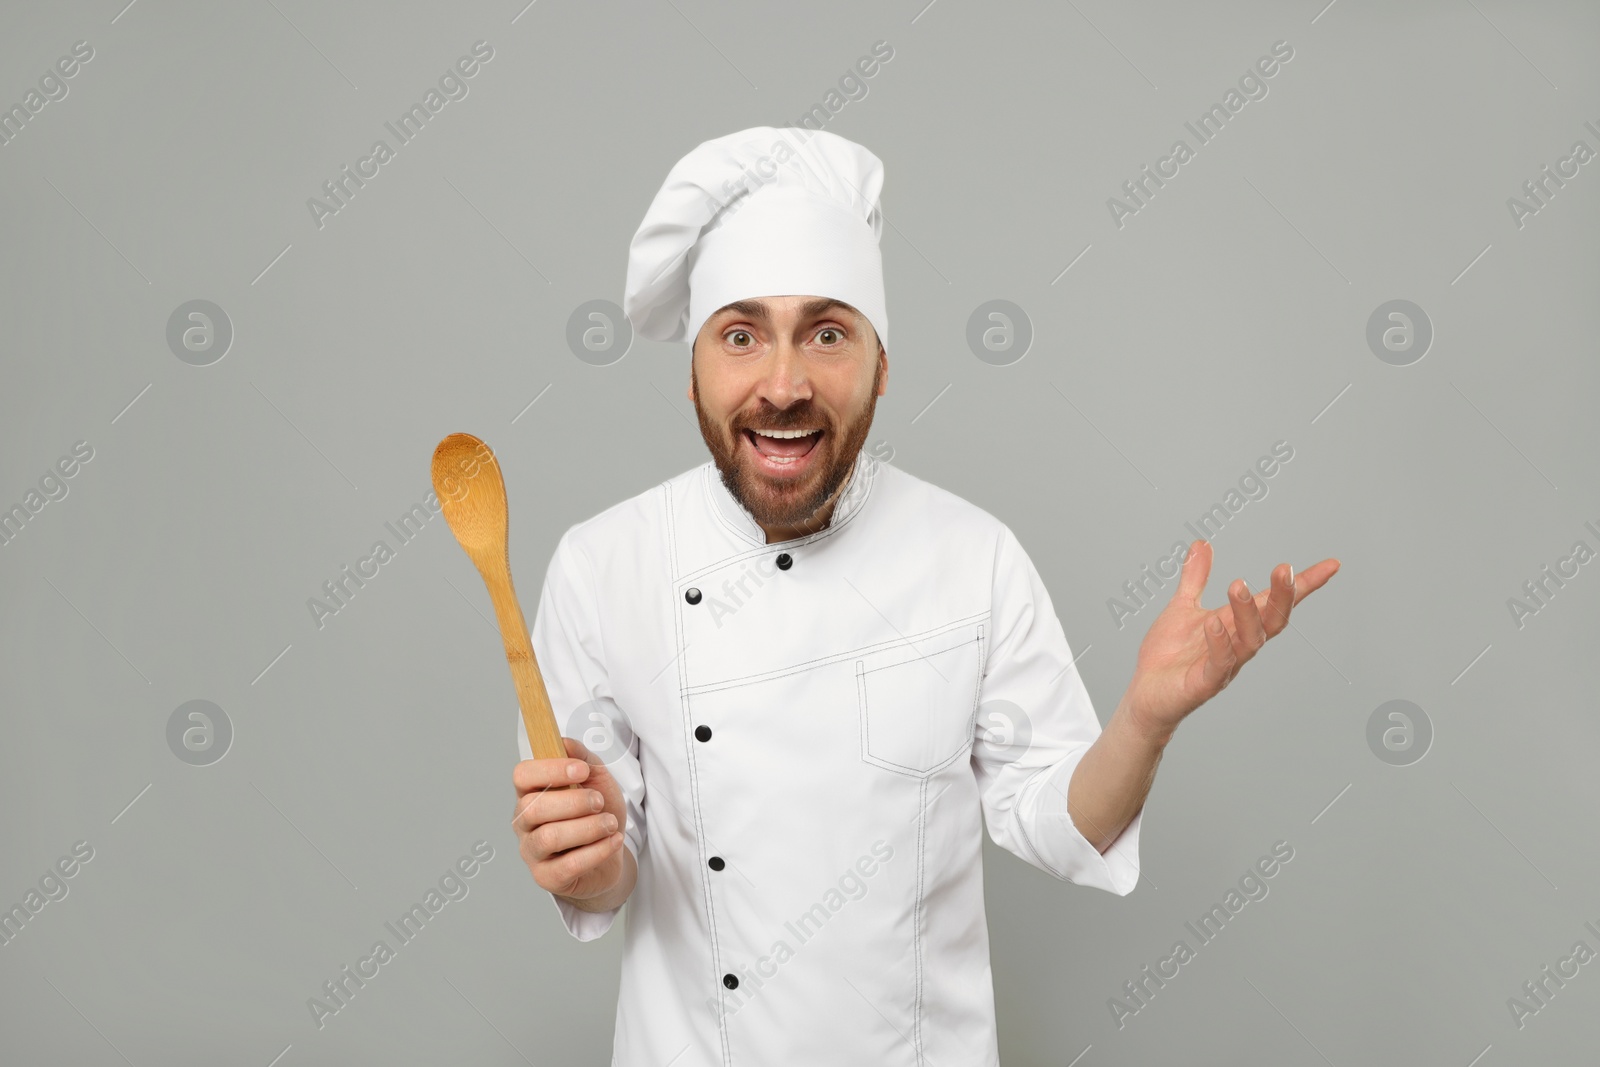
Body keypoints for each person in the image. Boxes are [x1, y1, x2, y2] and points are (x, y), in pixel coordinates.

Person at [510, 125, 1339, 1064]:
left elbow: (1066, 821)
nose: (783, 384)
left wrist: (1145, 720)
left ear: (881, 365)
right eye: (741, 335)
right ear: (694, 367)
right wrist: (578, 858)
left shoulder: (970, 558)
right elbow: (605, 874)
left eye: (828, 333)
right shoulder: (602, 566)